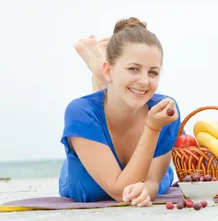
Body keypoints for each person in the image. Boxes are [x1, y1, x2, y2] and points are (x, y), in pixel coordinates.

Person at [59, 17, 181, 206]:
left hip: (115, 94)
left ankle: (105, 76)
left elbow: (152, 182)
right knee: (101, 108)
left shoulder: (165, 109)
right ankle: (100, 72)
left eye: (153, 72)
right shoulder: (79, 112)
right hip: (88, 181)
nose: (144, 81)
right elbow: (120, 191)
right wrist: (152, 127)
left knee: (116, 95)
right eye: (133, 69)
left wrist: (146, 190)